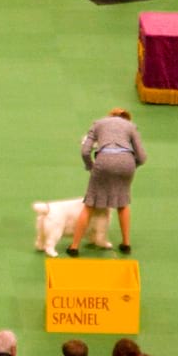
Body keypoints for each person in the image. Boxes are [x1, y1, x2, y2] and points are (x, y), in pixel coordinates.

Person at [67, 108, 145, 256]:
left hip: (104, 161)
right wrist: (131, 165)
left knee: (89, 205)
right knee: (123, 204)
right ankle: (126, 244)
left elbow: (85, 151)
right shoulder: (131, 127)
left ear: (110, 116)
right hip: (127, 162)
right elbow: (141, 156)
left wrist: (90, 165)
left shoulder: (98, 124)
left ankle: (74, 246)